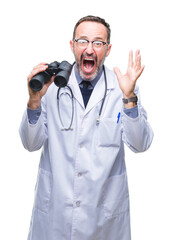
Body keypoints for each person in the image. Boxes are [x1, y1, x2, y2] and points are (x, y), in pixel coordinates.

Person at [19, 15, 153, 240]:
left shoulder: (122, 88)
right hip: (55, 217)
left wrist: (129, 96)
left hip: (104, 219)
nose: (89, 49)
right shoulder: (50, 86)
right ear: (72, 45)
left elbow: (140, 144)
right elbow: (30, 144)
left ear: (108, 49)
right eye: (83, 41)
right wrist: (34, 101)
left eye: (98, 43)